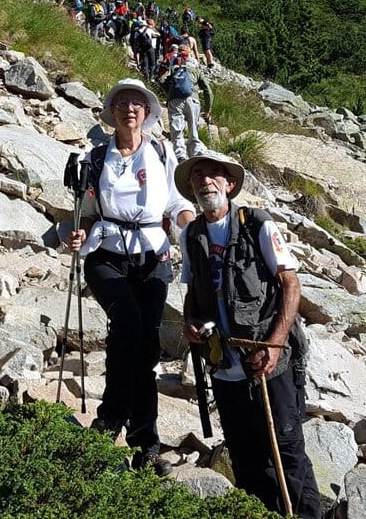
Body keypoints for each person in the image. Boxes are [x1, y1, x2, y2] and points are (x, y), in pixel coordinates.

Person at [177, 152, 322, 518]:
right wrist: (190, 322)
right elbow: (193, 289)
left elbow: (290, 285)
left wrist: (274, 345)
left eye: (213, 174)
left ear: (229, 184)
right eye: (198, 177)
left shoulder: (257, 223)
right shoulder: (191, 234)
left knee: (285, 449)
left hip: (267, 359)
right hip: (224, 362)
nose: (205, 181)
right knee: (244, 454)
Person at [65, 79, 195, 476]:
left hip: (152, 255)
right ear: (113, 112)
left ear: (147, 112)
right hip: (105, 255)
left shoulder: (161, 151)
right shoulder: (97, 155)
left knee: (141, 342)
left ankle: (118, 426)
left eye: (136, 104)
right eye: (122, 103)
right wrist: (80, 231)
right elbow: (87, 208)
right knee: (131, 326)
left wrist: (193, 235)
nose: (129, 110)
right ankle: (139, 438)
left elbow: (176, 202)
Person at [159, 47, 208, 162]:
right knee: (193, 129)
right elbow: (207, 90)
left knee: (177, 129)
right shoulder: (196, 70)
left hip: (174, 100)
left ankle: (180, 156)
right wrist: (208, 110)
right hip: (193, 100)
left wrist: (169, 92)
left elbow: (161, 80)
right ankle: (195, 154)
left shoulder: (175, 69)